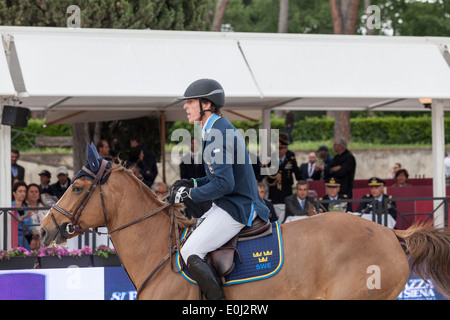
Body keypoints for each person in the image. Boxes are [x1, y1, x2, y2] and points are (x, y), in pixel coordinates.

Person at [169, 78, 270, 300]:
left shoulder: (217, 133)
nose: (185, 106)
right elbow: (217, 176)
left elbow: (224, 184)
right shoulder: (217, 128)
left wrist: (189, 195)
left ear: (207, 104)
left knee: (189, 251)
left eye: (191, 102)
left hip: (238, 207)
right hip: (230, 202)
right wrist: (192, 184)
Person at [265, 133, 301, 204]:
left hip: (286, 190)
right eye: (277, 148)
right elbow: (264, 172)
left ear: (286, 149)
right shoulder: (271, 157)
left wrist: (302, 181)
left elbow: (297, 173)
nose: (278, 151)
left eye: (280, 148)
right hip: (274, 192)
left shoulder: (291, 157)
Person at [11, 181, 32, 250]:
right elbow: (10, 223)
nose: (23, 194)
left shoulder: (27, 207)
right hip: (12, 239)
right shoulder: (9, 206)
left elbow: (30, 225)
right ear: (14, 193)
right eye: (20, 191)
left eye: (24, 191)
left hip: (25, 239)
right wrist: (23, 217)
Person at [25, 183, 45, 250]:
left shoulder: (45, 208)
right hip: (29, 236)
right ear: (27, 194)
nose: (34, 194)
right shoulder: (24, 207)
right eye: (31, 192)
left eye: (36, 192)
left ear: (39, 195)